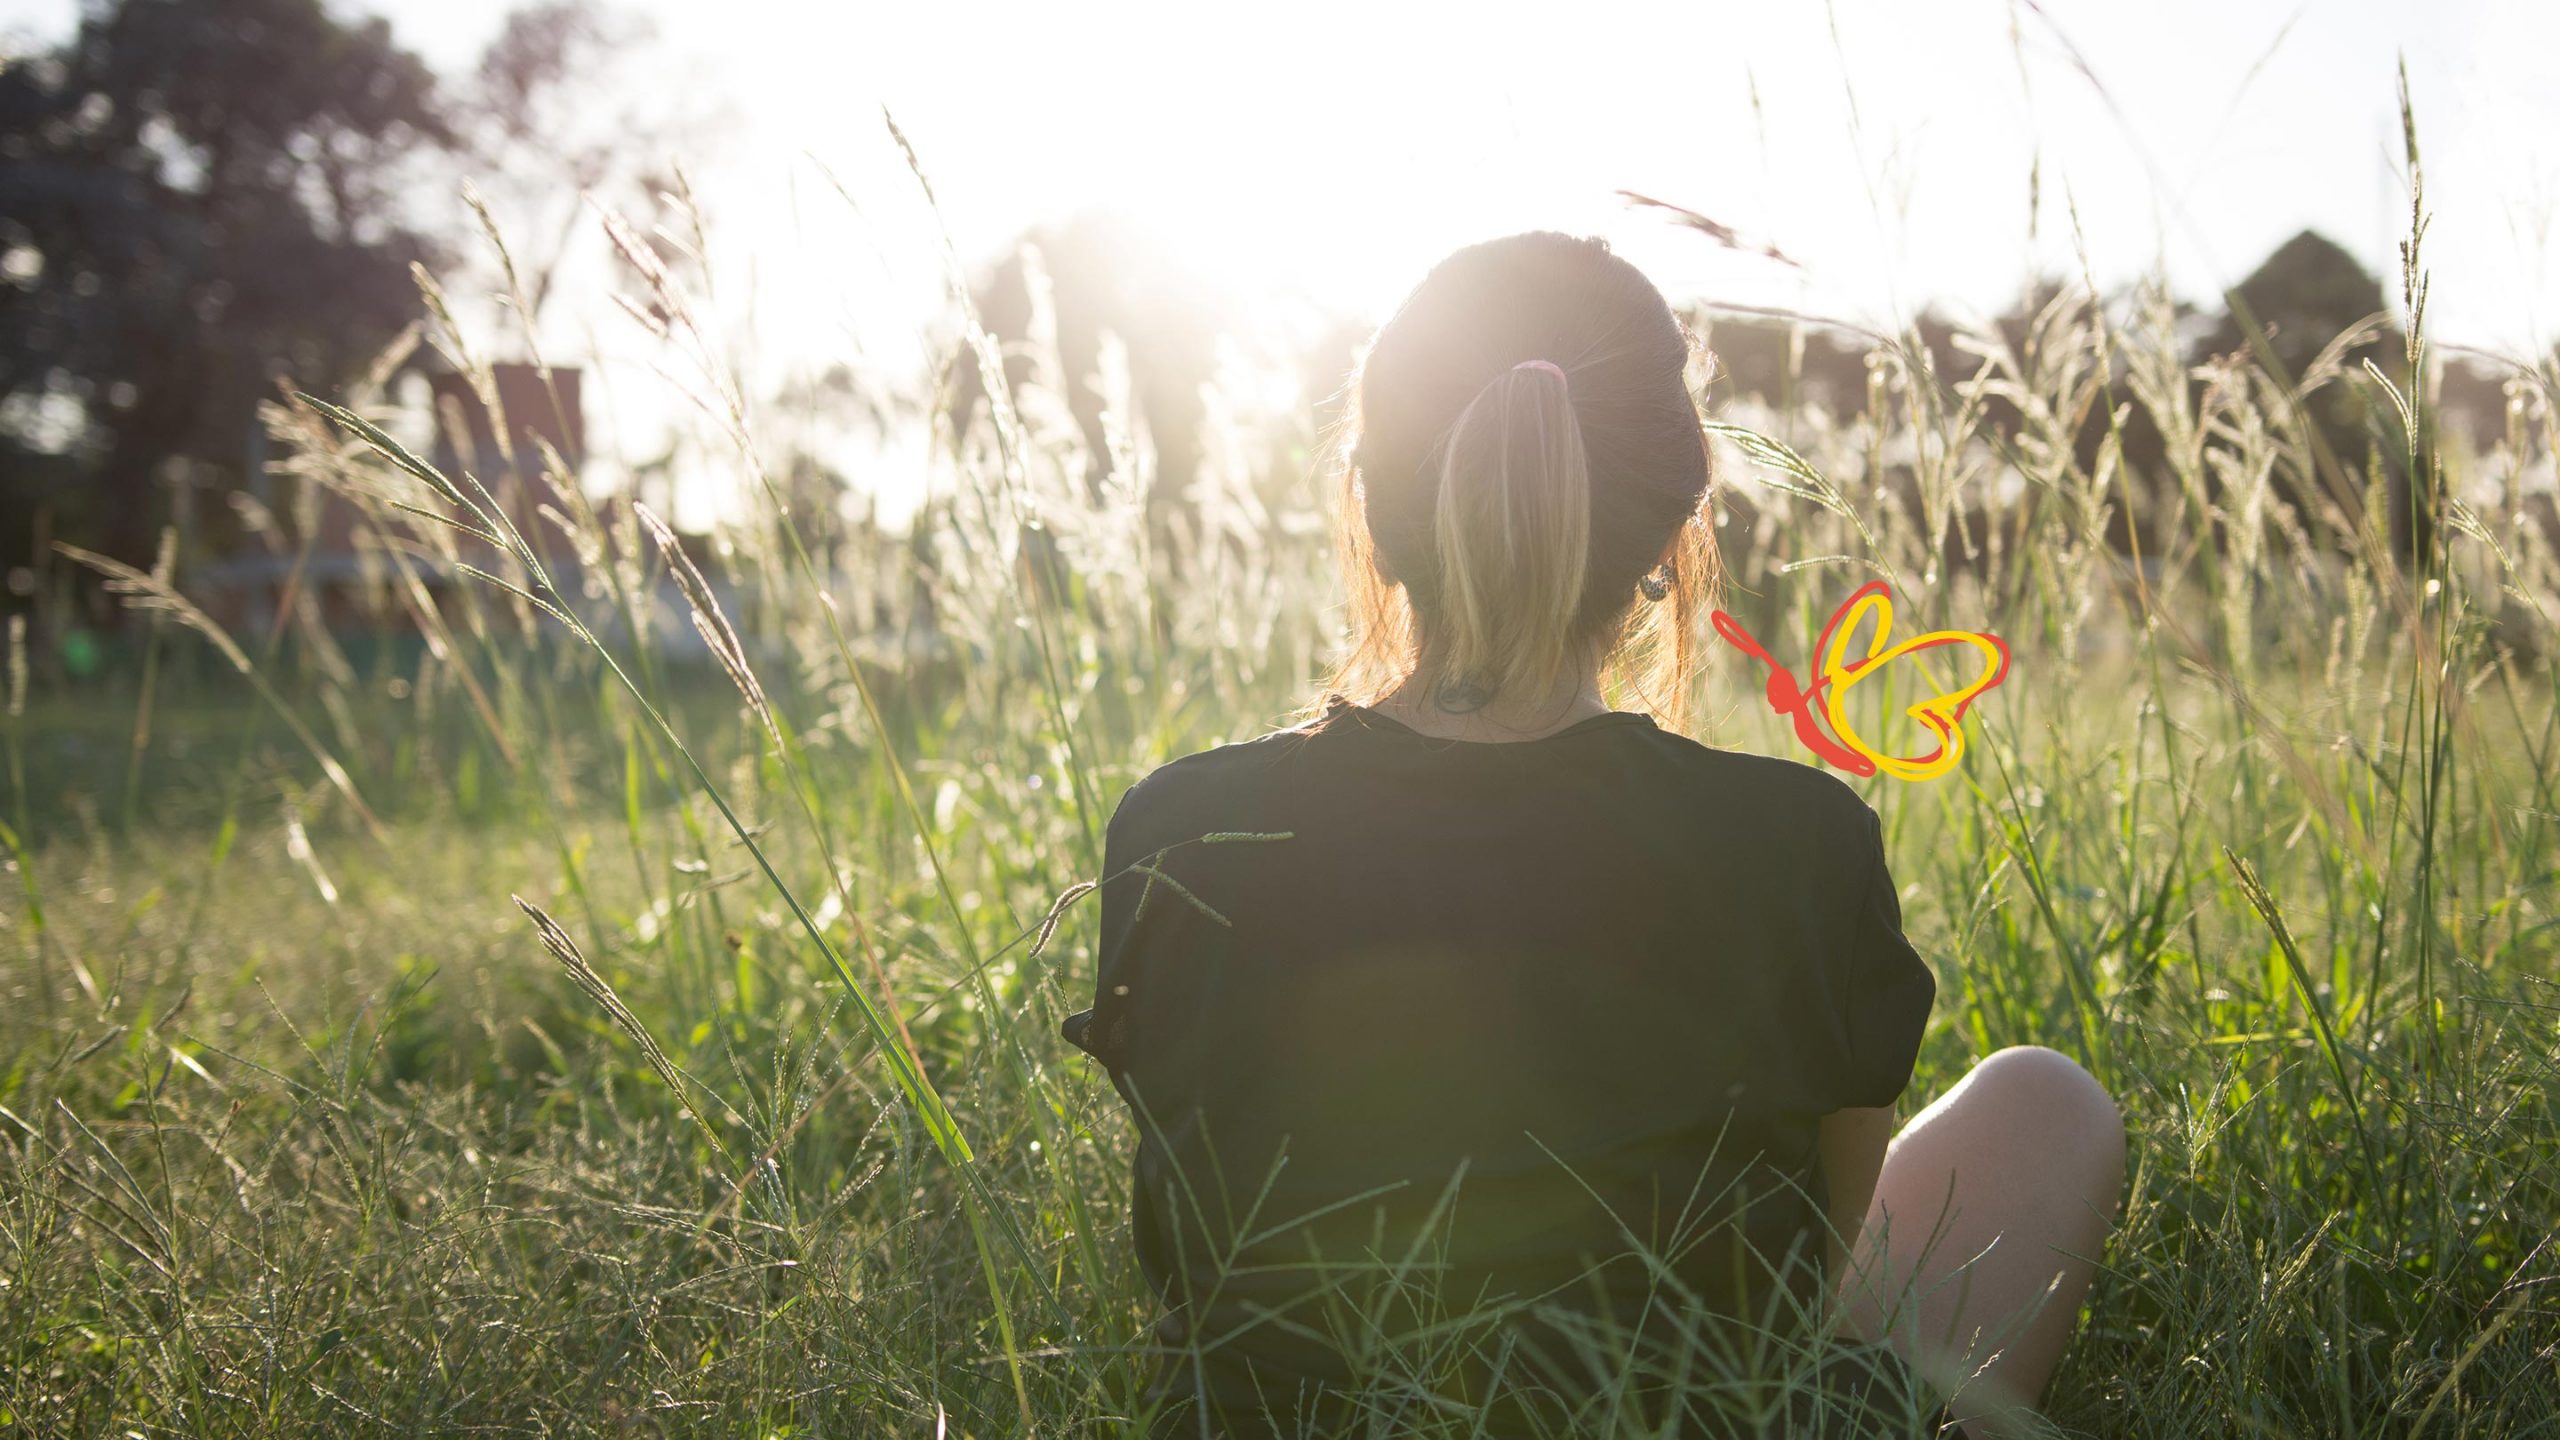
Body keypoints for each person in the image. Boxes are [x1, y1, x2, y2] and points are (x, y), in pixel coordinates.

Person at [1064, 232, 2126, 1439]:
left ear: (1371, 504)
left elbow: (1201, 1228)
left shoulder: (1181, 825)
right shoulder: (1797, 843)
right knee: (2046, 1105)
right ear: (1675, 533)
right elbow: (1805, 1279)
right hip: (1689, 1414)